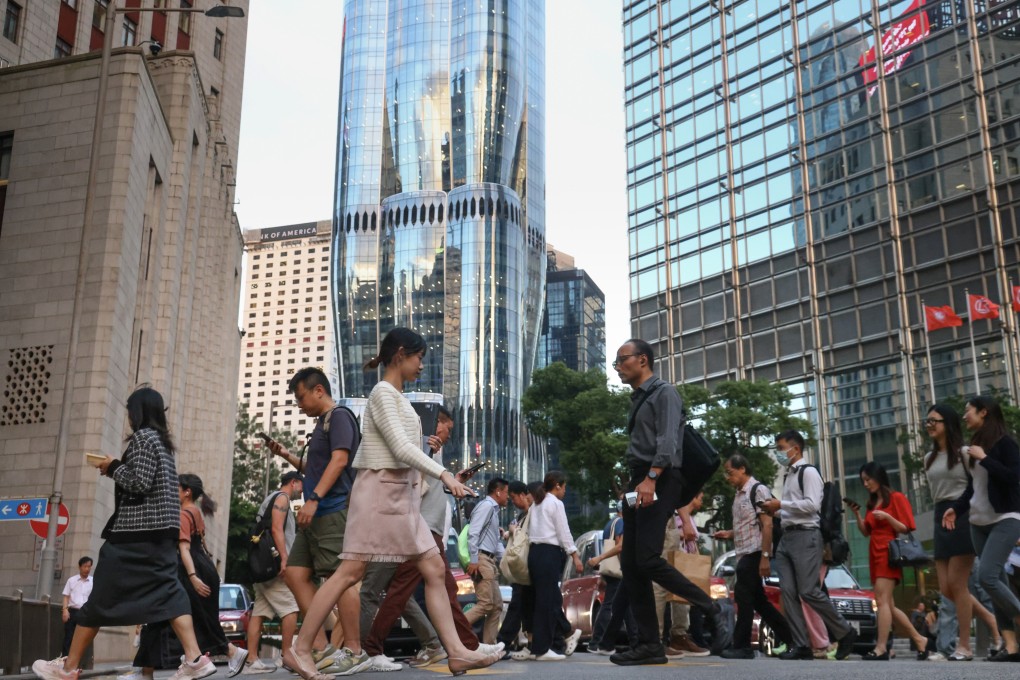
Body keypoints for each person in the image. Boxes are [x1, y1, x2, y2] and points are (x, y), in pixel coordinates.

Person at [284, 327, 501, 678]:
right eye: (418, 358)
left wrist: (426, 483)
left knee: (431, 570)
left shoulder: (396, 396)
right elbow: (401, 450)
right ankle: (302, 648)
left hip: (398, 496)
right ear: (401, 354)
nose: (420, 366)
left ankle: (458, 652)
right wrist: (444, 476)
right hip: (379, 494)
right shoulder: (383, 393)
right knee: (349, 573)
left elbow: (405, 452)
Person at [33, 387, 216, 680]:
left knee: (100, 599)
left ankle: (68, 668)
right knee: (170, 593)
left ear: (138, 411)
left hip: (134, 536)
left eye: (130, 410)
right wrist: (117, 469)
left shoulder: (144, 438)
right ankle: (195, 659)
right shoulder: (162, 444)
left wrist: (113, 466)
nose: (129, 417)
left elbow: (139, 482)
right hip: (159, 535)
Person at [611, 339, 727, 666]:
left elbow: (668, 440)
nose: (618, 367)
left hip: (659, 477)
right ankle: (649, 645)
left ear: (643, 360)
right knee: (632, 565)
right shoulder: (641, 397)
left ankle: (709, 606)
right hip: (640, 480)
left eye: (622, 360)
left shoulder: (664, 393)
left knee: (646, 559)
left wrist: (651, 477)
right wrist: (635, 484)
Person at [361, 407, 501, 669]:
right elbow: (408, 481)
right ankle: (372, 647)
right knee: (400, 591)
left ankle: (466, 646)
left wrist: (454, 479)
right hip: (420, 528)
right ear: (438, 424)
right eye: (448, 429)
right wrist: (427, 451)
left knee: (441, 589)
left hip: (429, 529)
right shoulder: (419, 447)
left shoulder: (431, 453)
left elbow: (428, 485)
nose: (449, 436)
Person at [268, 366, 360, 665]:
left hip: (332, 510)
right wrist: (286, 455)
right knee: (295, 574)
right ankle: (322, 648)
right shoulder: (321, 424)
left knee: (339, 578)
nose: (299, 404)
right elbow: (315, 468)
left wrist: (315, 499)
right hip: (316, 515)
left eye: (301, 396)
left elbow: (340, 460)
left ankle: (355, 651)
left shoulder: (340, 416)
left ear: (319, 390)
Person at [760, 430, 857, 661]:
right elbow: (795, 506)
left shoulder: (809, 472)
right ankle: (801, 644)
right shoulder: (789, 475)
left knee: (808, 591)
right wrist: (776, 509)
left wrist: (780, 503)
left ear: (795, 448)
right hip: (787, 537)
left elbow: (812, 505)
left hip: (806, 536)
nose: (779, 453)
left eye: (781, 447)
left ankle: (845, 631)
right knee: (789, 593)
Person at [946, 395, 1020, 662]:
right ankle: (1011, 646)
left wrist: (986, 459)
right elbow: (973, 487)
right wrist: (957, 507)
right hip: (978, 523)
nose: (965, 416)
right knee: (995, 582)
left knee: (986, 577)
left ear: (984, 413)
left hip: (1006, 519)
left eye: (968, 411)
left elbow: (1014, 478)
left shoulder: (1005, 444)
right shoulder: (974, 447)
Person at [923, 404, 1000, 660]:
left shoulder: (965, 453)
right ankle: (989, 618)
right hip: (939, 515)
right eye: (928, 421)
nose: (929, 425)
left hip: (963, 514)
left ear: (948, 423)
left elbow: (980, 484)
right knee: (947, 588)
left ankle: (964, 646)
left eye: (934, 420)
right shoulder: (928, 458)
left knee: (958, 584)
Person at [845, 461, 930, 659]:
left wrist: (887, 517)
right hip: (874, 552)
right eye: (863, 481)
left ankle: (881, 647)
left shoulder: (896, 498)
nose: (865, 484)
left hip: (888, 552)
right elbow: (866, 531)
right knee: (888, 605)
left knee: (882, 601)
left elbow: (906, 527)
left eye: (868, 479)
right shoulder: (871, 503)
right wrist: (857, 513)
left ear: (878, 477)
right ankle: (919, 639)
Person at [714, 455, 792, 660]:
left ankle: (742, 646)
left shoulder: (758, 490)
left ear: (742, 469)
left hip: (755, 552)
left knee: (743, 596)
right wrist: (729, 534)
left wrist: (765, 557)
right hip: (743, 552)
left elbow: (766, 525)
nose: (727, 477)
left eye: (730, 473)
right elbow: (748, 525)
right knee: (759, 601)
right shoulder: (739, 494)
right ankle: (791, 638)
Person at [177, 475, 249, 673]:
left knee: (197, 616)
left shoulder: (184, 514)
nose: (174, 491)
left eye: (177, 487)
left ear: (187, 491)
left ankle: (228, 652)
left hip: (194, 568)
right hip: (205, 565)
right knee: (202, 616)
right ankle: (195, 658)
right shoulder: (196, 512)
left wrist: (192, 577)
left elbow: (184, 549)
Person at [244, 471, 304, 673]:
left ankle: (252, 660)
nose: (302, 491)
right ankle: (287, 656)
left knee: (259, 612)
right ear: (294, 482)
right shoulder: (282, 498)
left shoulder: (270, 498)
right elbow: (277, 529)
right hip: (275, 565)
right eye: (301, 486)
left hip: (261, 564)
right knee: (291, 608)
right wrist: (284, 560)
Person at [519, 471, 582, 661]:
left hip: (535, 554)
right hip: (549, 553)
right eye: (564, 487)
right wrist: (575, 556)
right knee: (546, 603)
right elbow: (564, 532)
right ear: (557, 486)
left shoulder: (537, 503)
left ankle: (538, 646)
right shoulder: (555, 503)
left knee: (540, 601)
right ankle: (542, 649)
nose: (564, 491)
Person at [587, 502, 637, 655]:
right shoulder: (621, 522)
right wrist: (625, 565)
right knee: (610, 605)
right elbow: (620, 546)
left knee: (624, 606)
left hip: (611, 571)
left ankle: (635, 640)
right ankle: (597, 642)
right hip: (618, 570)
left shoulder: (610, 523)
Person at [465, 478, 509, 643]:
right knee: (485, 604)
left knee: (496, 606)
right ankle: (453, 631)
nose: (508, 496)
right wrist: (474, 559)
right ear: (498, 491)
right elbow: (473, 532)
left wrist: (505, 563)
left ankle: (490, 646)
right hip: (482, 559)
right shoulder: (486, 507)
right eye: (506, 492)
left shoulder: (493, 511)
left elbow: (496, 542)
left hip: (488, 560)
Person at [496, 481, 537, 654]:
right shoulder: (523, 516)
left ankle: (503, 643)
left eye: (514, 497)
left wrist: (513, 531)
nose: (513, 501)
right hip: (523, 568)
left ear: (524, 495)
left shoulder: (533, 515)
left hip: (527, 566)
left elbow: (528, 538)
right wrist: (508, 533)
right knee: (526, 605)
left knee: (519, 605)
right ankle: (534, 642)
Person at [61, 557, 94, 657]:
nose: (87, 569)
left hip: (86, 612)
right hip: (73, 612)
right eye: (85, 566)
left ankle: (79, 662)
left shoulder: (93, 581)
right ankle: (65, 660)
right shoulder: (72, 580)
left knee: (83, 638)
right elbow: (66, 596)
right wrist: (65, 610)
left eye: (89, 566)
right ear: (80, 567)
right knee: (69, 637)